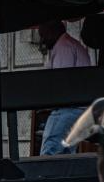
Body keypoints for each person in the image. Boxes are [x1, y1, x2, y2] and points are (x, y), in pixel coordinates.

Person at [38, 20, 93, 155]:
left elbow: (60, 83)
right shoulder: (71, 44)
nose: (42, 40)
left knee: (49, 153)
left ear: (52, 31)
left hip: (67, 109)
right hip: (78, 109)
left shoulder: (63, 47)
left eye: (43, 35)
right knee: (66, 156)